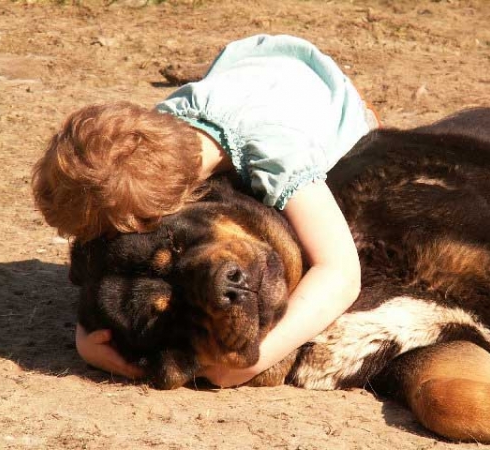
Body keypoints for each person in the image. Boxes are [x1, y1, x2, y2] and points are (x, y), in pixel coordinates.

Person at [32, 34, 380, 387]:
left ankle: (365, 117)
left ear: (174, 203)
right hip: (247, 67)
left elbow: (341, 273)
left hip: (318, 89)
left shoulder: (279, 155)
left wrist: (253, 362)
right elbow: (104, 264)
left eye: (129, 228)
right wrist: (85, 339)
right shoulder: (152, 142)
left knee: (358, 154)